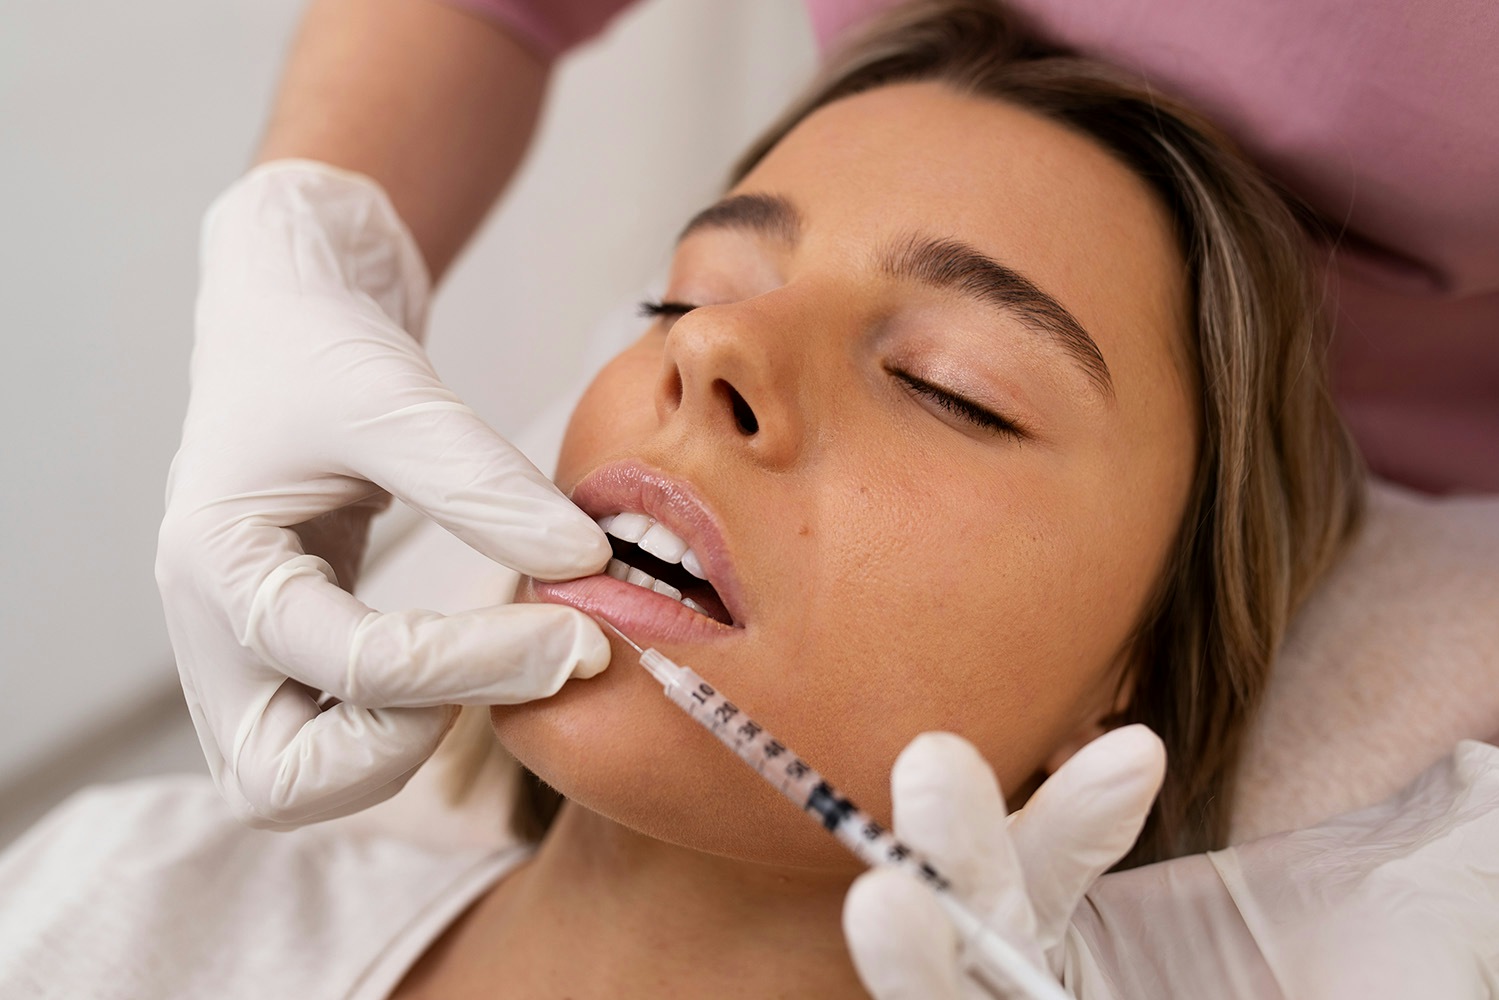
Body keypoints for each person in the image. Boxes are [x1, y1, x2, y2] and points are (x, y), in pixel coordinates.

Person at [14, 3, 1454, 996]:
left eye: (952, 387)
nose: (711, 349)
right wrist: (302, 233)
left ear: (1124, 697)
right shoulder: (113, 900)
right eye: (685, 291)